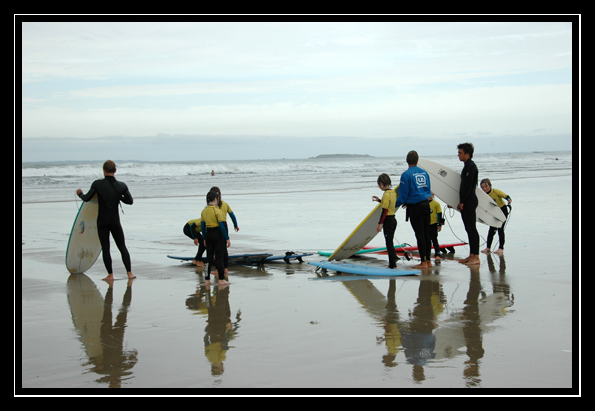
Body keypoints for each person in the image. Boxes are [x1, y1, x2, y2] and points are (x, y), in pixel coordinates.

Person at [76, 160, 135, 281]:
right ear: (115, 171)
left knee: (106, 248)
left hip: (102, 222)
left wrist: (80, 194)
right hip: (115, 222)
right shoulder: (121, 185)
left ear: (103, 171)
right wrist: (119, 196)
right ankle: (129, 273)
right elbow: (130, 201)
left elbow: (87, 198)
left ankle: (110, 275)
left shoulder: (97, 184)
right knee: (122, 246)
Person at [395, 151, 433, 269]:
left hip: (415, 208)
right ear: (417, 160)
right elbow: (428, 190)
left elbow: (403, 196)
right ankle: (428, 260)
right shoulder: (425, 173)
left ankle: (423, 262)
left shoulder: (406, 175)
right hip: (426, 205)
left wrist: (392, 204)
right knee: (427, 234)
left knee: (420, 235)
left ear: (407, 161)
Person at [457, 143, 480, 266]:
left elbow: (468, 187)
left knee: (472, 229)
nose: (458, 155)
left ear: (467, 154)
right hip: (467, 200)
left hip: (469, 201)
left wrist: (462, 202)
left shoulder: (471, 167)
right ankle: (472, 255)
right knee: (468, 228)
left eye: (460, 152)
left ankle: (476, 257)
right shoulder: (467, 166)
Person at [201, 191, 231, 286]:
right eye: (217, 199)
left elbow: (202, 226)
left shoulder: (204, 211)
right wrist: (227, 238)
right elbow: (222, 226)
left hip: (208, 234)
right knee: (219, 257)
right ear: (215, 199)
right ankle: (221, 279)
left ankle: (207, 279)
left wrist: (204, 238)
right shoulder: (217, 211)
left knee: (208, 258)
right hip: (217, 235)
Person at [210, 187, 239, 281]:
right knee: (224, 248)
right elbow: (232, 215)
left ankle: (219, 269)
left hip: (216, 226)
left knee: (217, 249)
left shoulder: (213, 206)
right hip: (225, 226)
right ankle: (225, 268)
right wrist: (235, 225)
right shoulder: (225, 204)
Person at [372, 173, 398, 268]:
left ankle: (392, 265)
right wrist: (379, 200)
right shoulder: (393, 192)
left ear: (382, 184)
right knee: (390, 242)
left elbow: (385, 210)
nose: (380, 187)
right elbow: (389, 204)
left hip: (388, 220)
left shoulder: (386, 194)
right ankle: (393, 262)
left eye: (379, 185)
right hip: (393, 220)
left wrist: (380, 224)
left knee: (389, 243)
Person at [480, 178, 512, 255]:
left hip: (502, 211)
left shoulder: (495, 191)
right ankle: (488, 247)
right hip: (493, 213)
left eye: (486, 186)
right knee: (491, 230)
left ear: (490, 186)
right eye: (483, 187)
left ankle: (501, 248)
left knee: (500, 229)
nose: (484, 189)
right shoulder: (483, 195)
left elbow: (505, 196)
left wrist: (509, 199)